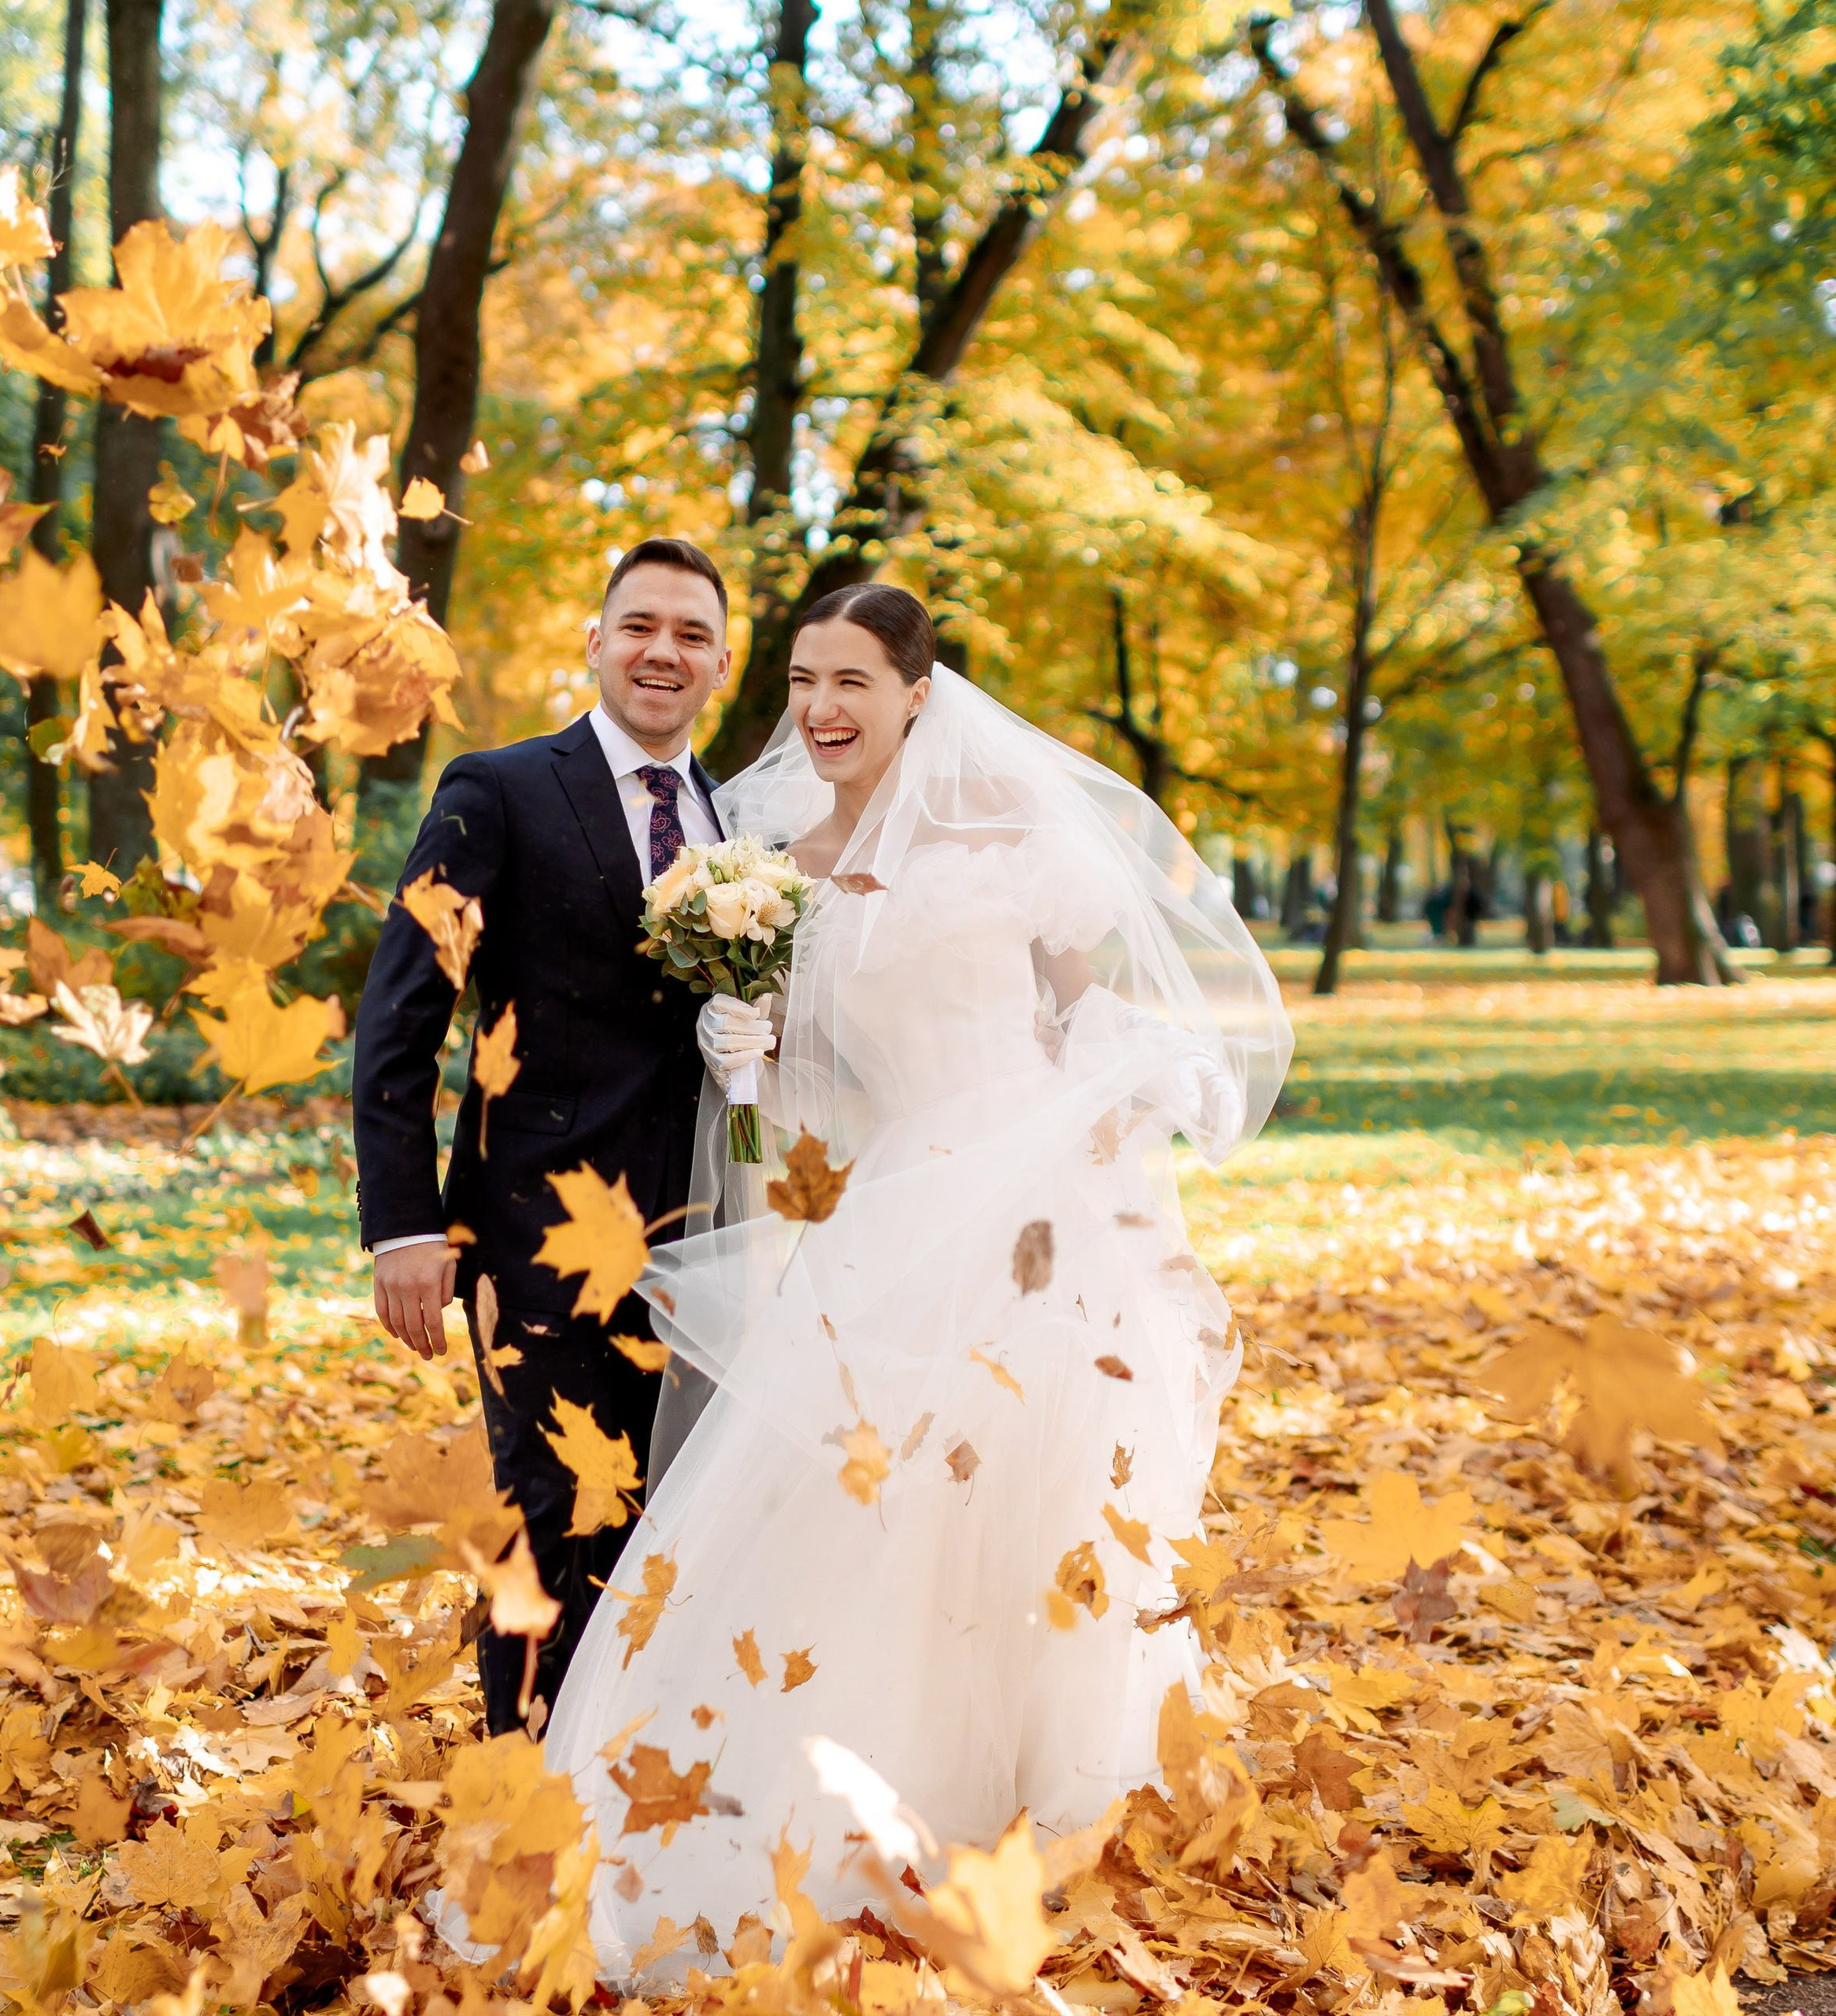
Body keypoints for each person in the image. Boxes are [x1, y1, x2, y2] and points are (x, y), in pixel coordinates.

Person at [542, 584, 1294, 1973]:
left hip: (1034, 1211)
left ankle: (1051, 1807)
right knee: (861, 1502)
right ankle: (848, 1814)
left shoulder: (1005, 838)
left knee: (1037, 1498)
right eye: (803, 680)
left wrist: (1144, 1084)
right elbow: (811, 1100)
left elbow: (1081, 1009)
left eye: (854, 682)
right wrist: (742, 1051)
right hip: (886, 1216)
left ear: (916, 697)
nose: (822, 708)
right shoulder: (770, 867)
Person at [351, 536, 773, 1733]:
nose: (663, 652)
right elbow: (402, 1015)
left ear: (721, 665)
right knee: (547, 1527)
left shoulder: (742, 827)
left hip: (704, 1237)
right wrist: (404, 1225)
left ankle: (631, 1783)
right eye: (640, 626)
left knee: (668, 1528)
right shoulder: (496, 790)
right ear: (595, 643)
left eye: (691, 635)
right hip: (535, 1234)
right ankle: (522, 1795)